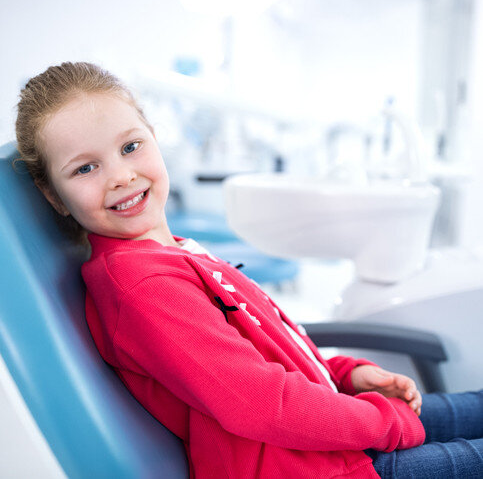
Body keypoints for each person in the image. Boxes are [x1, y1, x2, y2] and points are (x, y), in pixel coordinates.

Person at [14, 61, 483, 478]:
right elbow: (259, 403)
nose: (120, 175)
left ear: (153, 137)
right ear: (54, 195)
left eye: (131, 146)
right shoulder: (144, 287)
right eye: (85, 169)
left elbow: (269, 348)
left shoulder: (173, 253)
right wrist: (388, 422)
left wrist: (343, 374)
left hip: (323, 446)